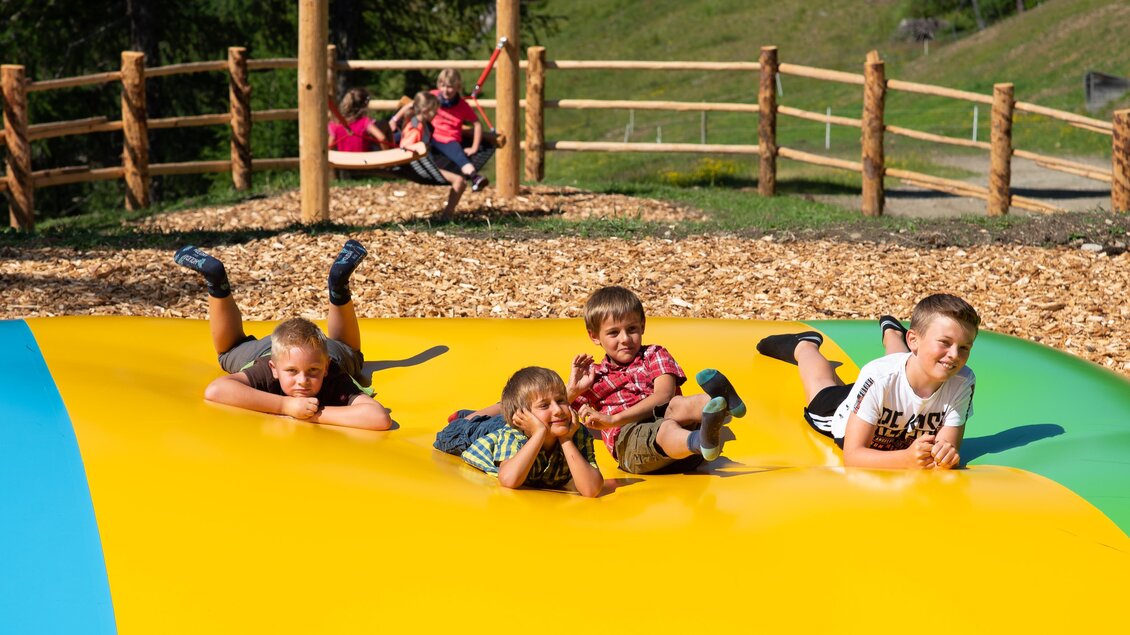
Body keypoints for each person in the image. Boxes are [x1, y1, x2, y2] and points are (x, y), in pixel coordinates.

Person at [173, 240, 393, 431]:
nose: (303, 381)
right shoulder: (264, 370)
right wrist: (285, 406)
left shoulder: (333, 376)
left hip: (321, 350)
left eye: (313, 371)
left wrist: (311, 414)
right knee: (348, 349)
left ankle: (219, 285)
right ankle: (338, 287)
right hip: (268, 352)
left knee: (344, 349)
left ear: (325, 368)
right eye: (292, 372)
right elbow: (216, 390)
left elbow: (379, 418)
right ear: (273, 370)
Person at [756, 293, 979, 470]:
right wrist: (905, 459)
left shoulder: (962, 381)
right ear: (914, 339)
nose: (954, 355)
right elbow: (853, 455)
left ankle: (892, 333)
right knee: (822, 384)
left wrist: (946, 455)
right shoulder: (879, 377)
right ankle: (805, 345)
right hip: (845, 413)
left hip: (884, 393)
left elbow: (947, 446)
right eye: (945, 342)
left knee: (900, 368)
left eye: (964, 348)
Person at [568, 286, 747, 474]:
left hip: (682, 446)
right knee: (665, 427)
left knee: (676, 403)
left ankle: (719, 403)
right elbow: (555, 414)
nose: (625, 339)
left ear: (643, 326)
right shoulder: (594, 377)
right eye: (613, 333)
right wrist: (573, 391)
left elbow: (664, 396)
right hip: (631, 443)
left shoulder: (654, 354)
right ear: (594, 336)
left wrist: (613, 419)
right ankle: (702, 440)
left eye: (632, 329)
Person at [436, 367, 604, 497]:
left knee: (503, 419)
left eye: (561, 401)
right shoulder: (513, 434)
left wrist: (566, 439)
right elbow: (509, 480)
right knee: (452, 433)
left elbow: (591, 489)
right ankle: (472, 414)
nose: (558, 410)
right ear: (522, 415)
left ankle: (504, 410)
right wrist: (538, 434)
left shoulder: (576, 433)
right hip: (484, 433)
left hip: (524, 422)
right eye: (544, 405)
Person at [389, 69, 489, 208]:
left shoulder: (462, 105)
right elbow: (413, 104)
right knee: (399, 137)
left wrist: (475, 147)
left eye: (450, 87)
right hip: (429, 134)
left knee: (458, 154)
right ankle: (384, 155)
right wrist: (394, 119)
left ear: (457, 87)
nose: (446, 90)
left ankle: (474, 176)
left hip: (448, 138)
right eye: (443, 86)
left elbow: (477, 124)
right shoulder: (433, 97)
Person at [328, 87, 390, 152]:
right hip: (363, 160)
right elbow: (382, 138)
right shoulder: (364, 122)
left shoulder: (335, 124)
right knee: (384, 124)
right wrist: (385, 154)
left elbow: (330, 146)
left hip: (344, 160)